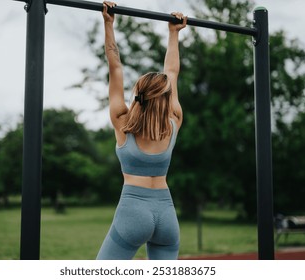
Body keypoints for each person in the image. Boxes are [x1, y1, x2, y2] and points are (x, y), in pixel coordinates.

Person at [96, 1, 187, 260]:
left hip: (133, 212)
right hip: (167, 214)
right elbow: (172, 71)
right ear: (166, 98)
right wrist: (174, 33)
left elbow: (115, 66)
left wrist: (108, 24)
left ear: (137, 95)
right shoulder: (174, 119)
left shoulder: (122, 122)